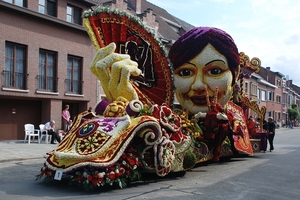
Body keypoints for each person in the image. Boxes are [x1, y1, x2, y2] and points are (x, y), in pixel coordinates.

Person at [168, 27, 240, 115]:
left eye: (215, 71)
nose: (199, 86)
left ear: (235, 74)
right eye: (186, 72)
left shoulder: (241, 126)